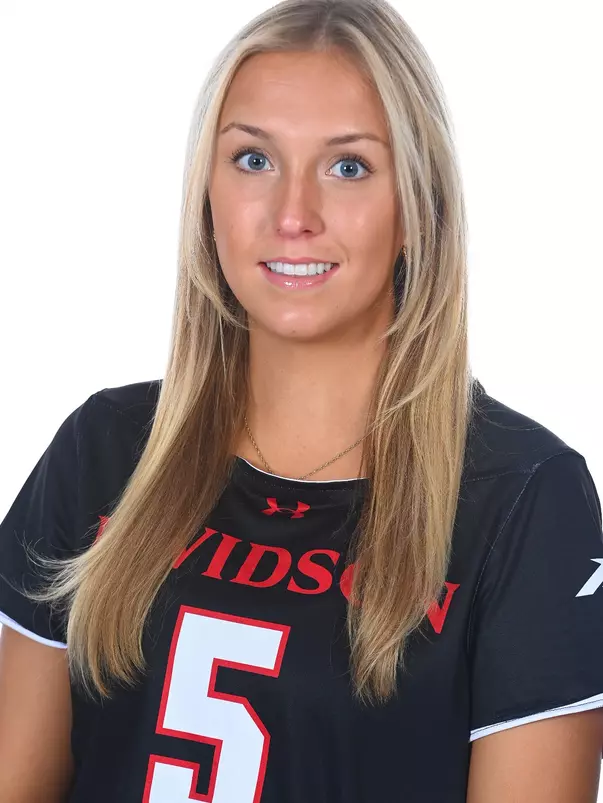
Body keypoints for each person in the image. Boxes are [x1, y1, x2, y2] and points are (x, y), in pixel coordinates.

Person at [1, 0, 603, 800]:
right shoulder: (105, 449)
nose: (292, 215)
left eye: (347, 166)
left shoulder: (524, 497)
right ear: (205, 190)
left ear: (417, 209)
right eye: (253, 159)